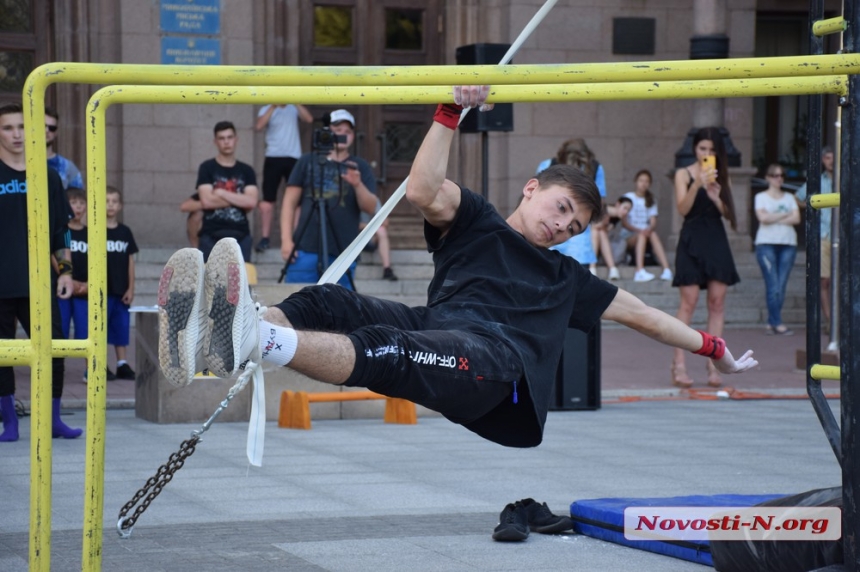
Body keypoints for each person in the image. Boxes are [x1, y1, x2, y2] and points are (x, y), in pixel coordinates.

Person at [156, 86, 757, 455]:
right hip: (437, 326)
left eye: (575, 227)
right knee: (326, 302)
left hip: (498, 368)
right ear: (531, 188)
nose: (562, 227)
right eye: (561, 209)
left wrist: (714, 347)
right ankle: (229, 336)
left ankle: (251, 338)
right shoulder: (478, 221)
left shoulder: (566, 279)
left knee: (389, 349)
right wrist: (450, 111)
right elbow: (421, 187)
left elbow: (648, 316)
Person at [0, 102, 81, 441]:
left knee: (55, 348)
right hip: (2, 282)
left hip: (39, 281)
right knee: (2, 354)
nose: (17, 134)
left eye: (22, 126)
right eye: (8, 127)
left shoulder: (46, 175)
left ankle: (53, 420)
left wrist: (64, 271)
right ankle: (10, 423)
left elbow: (61, 229)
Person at [671, 127, 740, 389]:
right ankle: (678, 363)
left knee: (717, 302)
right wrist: (697, 183)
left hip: (715, 238)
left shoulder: (722, 175)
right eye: (702, 149)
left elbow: (730, 215)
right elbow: (682, 209)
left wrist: (714, 195)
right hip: (691, 237)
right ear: (694, 149)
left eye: (712, 150)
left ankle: (714, 364)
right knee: (688, 301)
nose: (707, 154)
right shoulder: (682, 173)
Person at [279, 109, 377, 289]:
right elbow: (289, 202)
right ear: (328, 132)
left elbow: (371, 208)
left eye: (348, 132)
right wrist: (286, 240)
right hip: (304, 247)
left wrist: (357, 184)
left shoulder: (359, 166)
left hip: (344, 250)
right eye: (338, 130)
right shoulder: (307, 161)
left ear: (353, 136)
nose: (343, 135)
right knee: (295, 303)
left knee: (339, 309)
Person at [536, 139, 606, 274]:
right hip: (551, 235)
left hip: (578, 241)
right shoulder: (548, 165)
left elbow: (599, 203)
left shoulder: (596, 168)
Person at [196, 121, 259, 262]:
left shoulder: (246, 170)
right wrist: (239, 200)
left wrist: (221, 193)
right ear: (215, 142)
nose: (226, 142)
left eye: (229, 137)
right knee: (208, 282)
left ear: (236, 139)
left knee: (241, 282)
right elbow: (206, 201)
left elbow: (251, 202)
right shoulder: (207, 168)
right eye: (222, 138)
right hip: (210, 235)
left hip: (241, 236)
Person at [254, 103, 313, 252]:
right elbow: (259, 126)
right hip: (273, 156)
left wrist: (295, 101)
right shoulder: (266, 108)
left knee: (297, 200)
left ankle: (296, 237)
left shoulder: (294, 108)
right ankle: (265, 237)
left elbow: (309, 119)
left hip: (293, 156)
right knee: (268, 199)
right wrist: (273, 106)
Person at [754, 164, 800, 335]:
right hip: (766, 244)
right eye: (774, 175)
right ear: (767, 178)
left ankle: (771, 322)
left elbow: (796, 219)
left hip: (788, 244)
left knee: (780, 285)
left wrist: (772, 217)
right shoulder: (760, 196)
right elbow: (762, 218)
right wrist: (784, 215)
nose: (778, 178)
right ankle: (777, 323)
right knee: (773, 285)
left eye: (781, 175)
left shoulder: (789, 197)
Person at [795, 146, 835, 327]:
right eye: (827, 158)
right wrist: (812, 206)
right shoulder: (817, 181)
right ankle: (830, 321)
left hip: (847, 237)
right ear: (822, 161)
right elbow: (798, 198)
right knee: (824, 280)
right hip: (825, 235)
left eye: (833, 157)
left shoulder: (849, 179)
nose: (831, 161)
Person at [105, 187, 139, 380]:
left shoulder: (125, 231)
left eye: (114, 201)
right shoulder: (94, 230)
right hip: (102, 289)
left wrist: (131, 287)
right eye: (106, 200)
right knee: (100, 327)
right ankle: (101, 364)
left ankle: (122, 363)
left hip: (120, 289)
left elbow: (130, 260)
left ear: (120, 206)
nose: (110, 204)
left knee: (121, 326)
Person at [44, 105, 84, 191]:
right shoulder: (18, 163)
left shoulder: (68, 167)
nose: (47, 130)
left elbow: (78, 200)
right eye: (42, 126)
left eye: (52, 128)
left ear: (56, 133)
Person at [593, 196, 633, 280]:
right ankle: (610, 268)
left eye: (628, 210)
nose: (626, 212)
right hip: (590, 242)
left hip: (602, 245)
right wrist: (602, 224)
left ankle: (611, 269)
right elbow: (592, 227)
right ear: (618, 204)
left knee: (602, 232)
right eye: (625, 208)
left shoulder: (617, 217)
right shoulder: (603, 209)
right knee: (601, 232)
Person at [360, 197, 398, 281]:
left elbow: (385, 222)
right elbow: (355, 225)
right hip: (354, 238)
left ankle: (387, 269)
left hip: (370, 238)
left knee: (382, 231)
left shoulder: (372, 200)